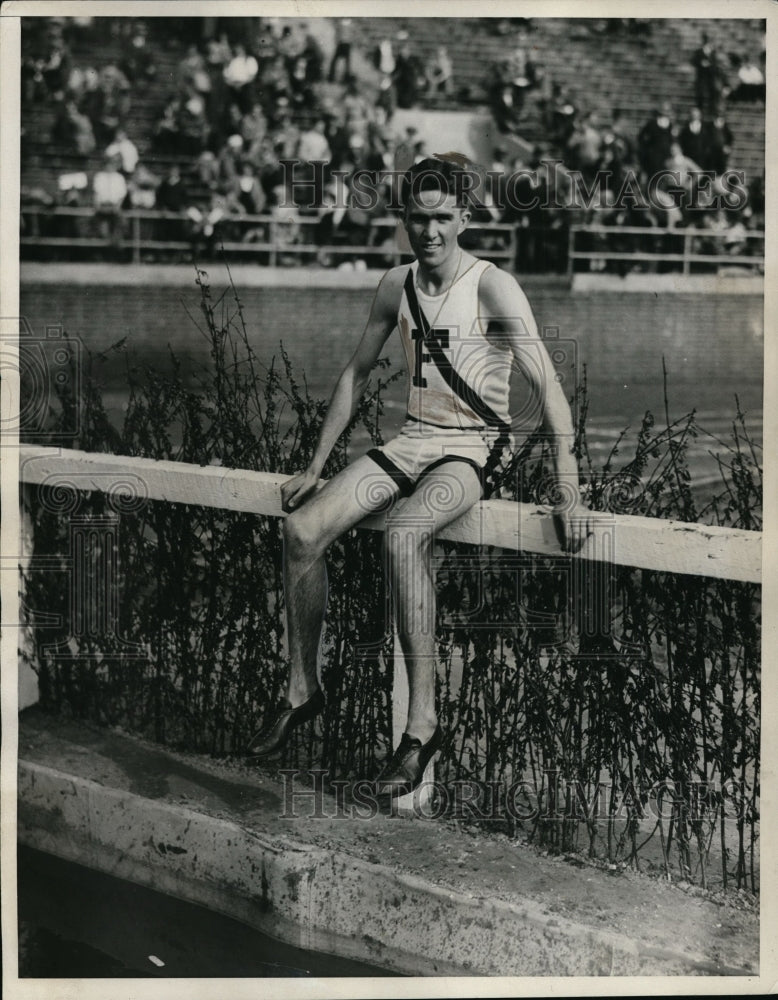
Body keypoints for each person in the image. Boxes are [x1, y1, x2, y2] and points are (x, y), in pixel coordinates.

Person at [244, 157, 593, 796]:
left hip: (474, 447)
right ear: (404, 217)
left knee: (404, 533)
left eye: (441, 218)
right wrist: (318, 464)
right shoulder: (395, 284)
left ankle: (421, 725)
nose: (428, 231)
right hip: (413, 441)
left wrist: (567, 484)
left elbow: (546, 383)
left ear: (463, 216)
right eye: (417, 217)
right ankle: (302, 688)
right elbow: (355, 373)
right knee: (301, 530)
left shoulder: (492, 286)